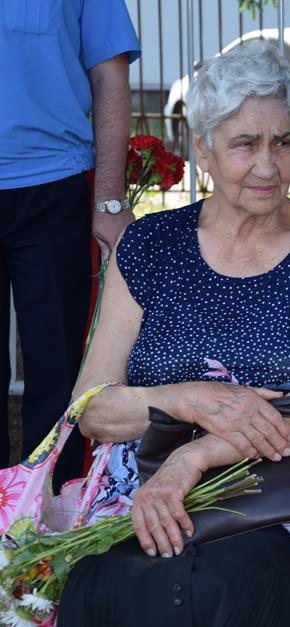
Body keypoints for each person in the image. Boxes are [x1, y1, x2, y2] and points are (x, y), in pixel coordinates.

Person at [57, 40, 290, 626]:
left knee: (234, 584)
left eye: (283, 142)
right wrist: (190, 399)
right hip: (137, 490)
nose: (268, 165)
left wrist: (194, 458)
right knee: (108, 584)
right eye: (245, 144)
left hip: (275, 492)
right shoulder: (150, 245)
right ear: (202, 148)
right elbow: (92, 409)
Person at [0, 0, 140, 481]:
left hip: (54, 186)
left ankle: (53, 508)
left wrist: (110, 200)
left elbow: (109, 75)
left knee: (59, 370)